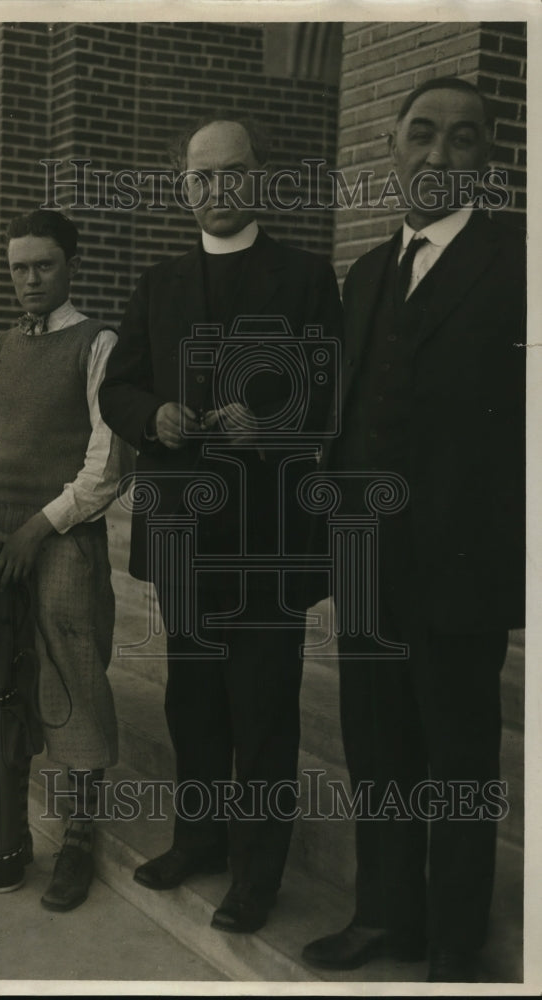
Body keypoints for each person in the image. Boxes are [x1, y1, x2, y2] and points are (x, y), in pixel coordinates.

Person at [302, 77, 525, 983]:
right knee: (378, 746)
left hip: (461, 573)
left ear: (489, 159)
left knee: (460, 758)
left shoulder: (520, 264)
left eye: (462, 140)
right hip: (368, 569)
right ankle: (382, 914)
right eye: (422, 134)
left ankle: (453, 939)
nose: (438, 155)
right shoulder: (363, 272)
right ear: (390, 147)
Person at [98, 115, 342, 933]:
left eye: (232, 174)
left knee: (263, 707)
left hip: (268, 539)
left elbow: (331, 394)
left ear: (259, 177)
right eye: (201, 179)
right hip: (183, 535)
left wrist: (267, 424)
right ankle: (197, 839)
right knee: (193, 700)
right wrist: (152, 415)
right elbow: (117, 388)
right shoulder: (159, 284)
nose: (216, 191)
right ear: (183, 188)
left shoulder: (308, 278)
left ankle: (256, 873)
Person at [0, 210, 130, 912]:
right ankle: (4, 831)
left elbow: (107, 463)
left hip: (63, 541)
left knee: (70, 676)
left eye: (42, 265)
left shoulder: (99, 343)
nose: (29, 279)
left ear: (69, 265)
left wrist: (39, 530)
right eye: (18, 267)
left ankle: (80, 836)